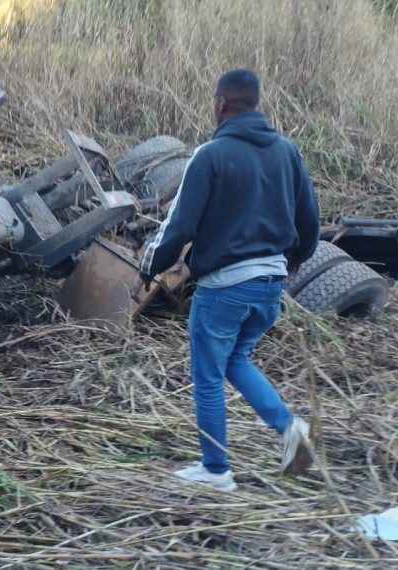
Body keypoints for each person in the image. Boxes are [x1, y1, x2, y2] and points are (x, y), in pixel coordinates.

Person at [129, 68, 320, 492]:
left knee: (209, 375)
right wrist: (295, 260)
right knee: (234, 359)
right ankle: (290, 429)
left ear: (221, 105)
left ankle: (216, 470)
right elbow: (311, 221)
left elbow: (177, 226)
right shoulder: (288, 152)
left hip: (225, 289)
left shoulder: (210, 155)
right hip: (270, 287)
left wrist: (148, 268)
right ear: (255, 103)